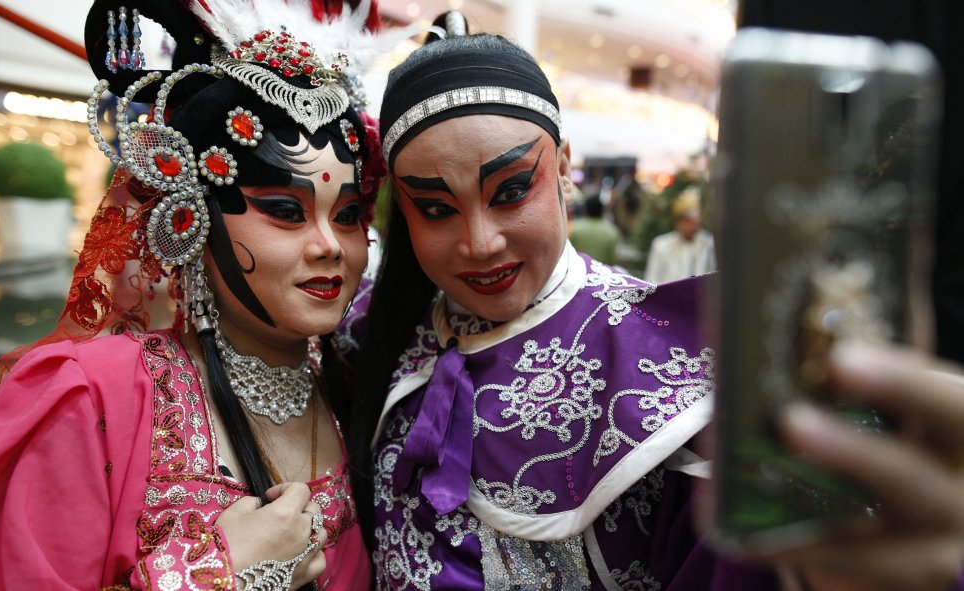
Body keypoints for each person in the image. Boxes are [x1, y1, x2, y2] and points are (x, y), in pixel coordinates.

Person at [345, 14, 964, 591]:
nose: (480, 243)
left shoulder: (669, 365)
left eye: (510, 192)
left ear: (563, 171)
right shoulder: (372, 333)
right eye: (434, 209)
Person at [0, 1, 386, 589]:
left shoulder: (356, 390)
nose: (330, 247)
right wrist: (209, 574)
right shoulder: (88, 399)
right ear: (191, 215)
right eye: (285, 211)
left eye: (347, 215)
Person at [643, 186, 717, 284]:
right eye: (687, 221)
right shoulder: (661, 245)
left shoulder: (707, 243)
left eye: (695, 221)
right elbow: (651, 280)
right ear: (678, 222)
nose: (693, 225)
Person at [569, 193, 621, 266]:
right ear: (602, 211)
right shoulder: (611, 232)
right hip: (600, 274)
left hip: (575, 270)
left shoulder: (573, 227)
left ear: (586, 209)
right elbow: (612, 260)